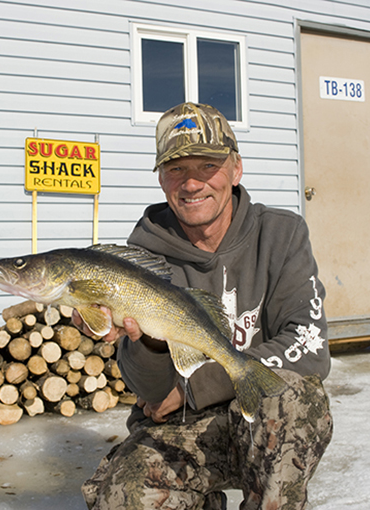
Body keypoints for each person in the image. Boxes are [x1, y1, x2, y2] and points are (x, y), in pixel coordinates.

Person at [78, 102, 333, 510]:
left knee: (292, 400)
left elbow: (308, 346)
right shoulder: (141, 258)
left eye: (207, 165)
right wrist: (149, 344)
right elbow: (152, 396)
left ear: (236, 169)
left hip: (260, 419)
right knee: (123, 497)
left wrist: (196, 387)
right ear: (161, 179)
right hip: (182, 427)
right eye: (176, 169)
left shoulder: (282, 235)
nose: (192, 183)